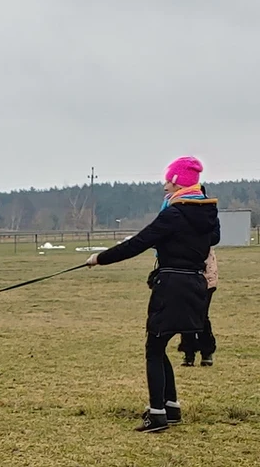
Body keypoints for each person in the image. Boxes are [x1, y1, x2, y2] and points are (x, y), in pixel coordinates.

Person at [85, 156, 220, 432]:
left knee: (154, 348)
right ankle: (171, 407)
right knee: (162, 346)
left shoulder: (173, 214)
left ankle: (156, 413)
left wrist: (100, 258)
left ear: (177, 181)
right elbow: (212, 240)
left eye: (167, 181)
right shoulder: (206, 214)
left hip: (171, 286)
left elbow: (138, 243)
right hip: (195, 284)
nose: (164, 187)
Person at [178, 246, 218, 366]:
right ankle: (188, 352)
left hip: (205, 277)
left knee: (201, 315)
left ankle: (206, 351)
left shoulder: (205, 231)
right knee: (186, 315)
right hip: (184, 278)